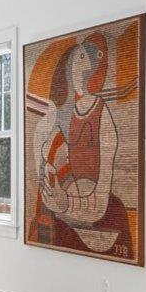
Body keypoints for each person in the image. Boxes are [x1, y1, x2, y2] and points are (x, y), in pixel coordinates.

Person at [30, 32, 133, 260]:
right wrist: (55, 196)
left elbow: (103, 187)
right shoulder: (53, 120)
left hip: (94, 206)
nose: (79, 63)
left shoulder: (101, 115)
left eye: (85, 56)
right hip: (58, 205)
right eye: (76, 57)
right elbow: (44, 175)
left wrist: (69, 203)